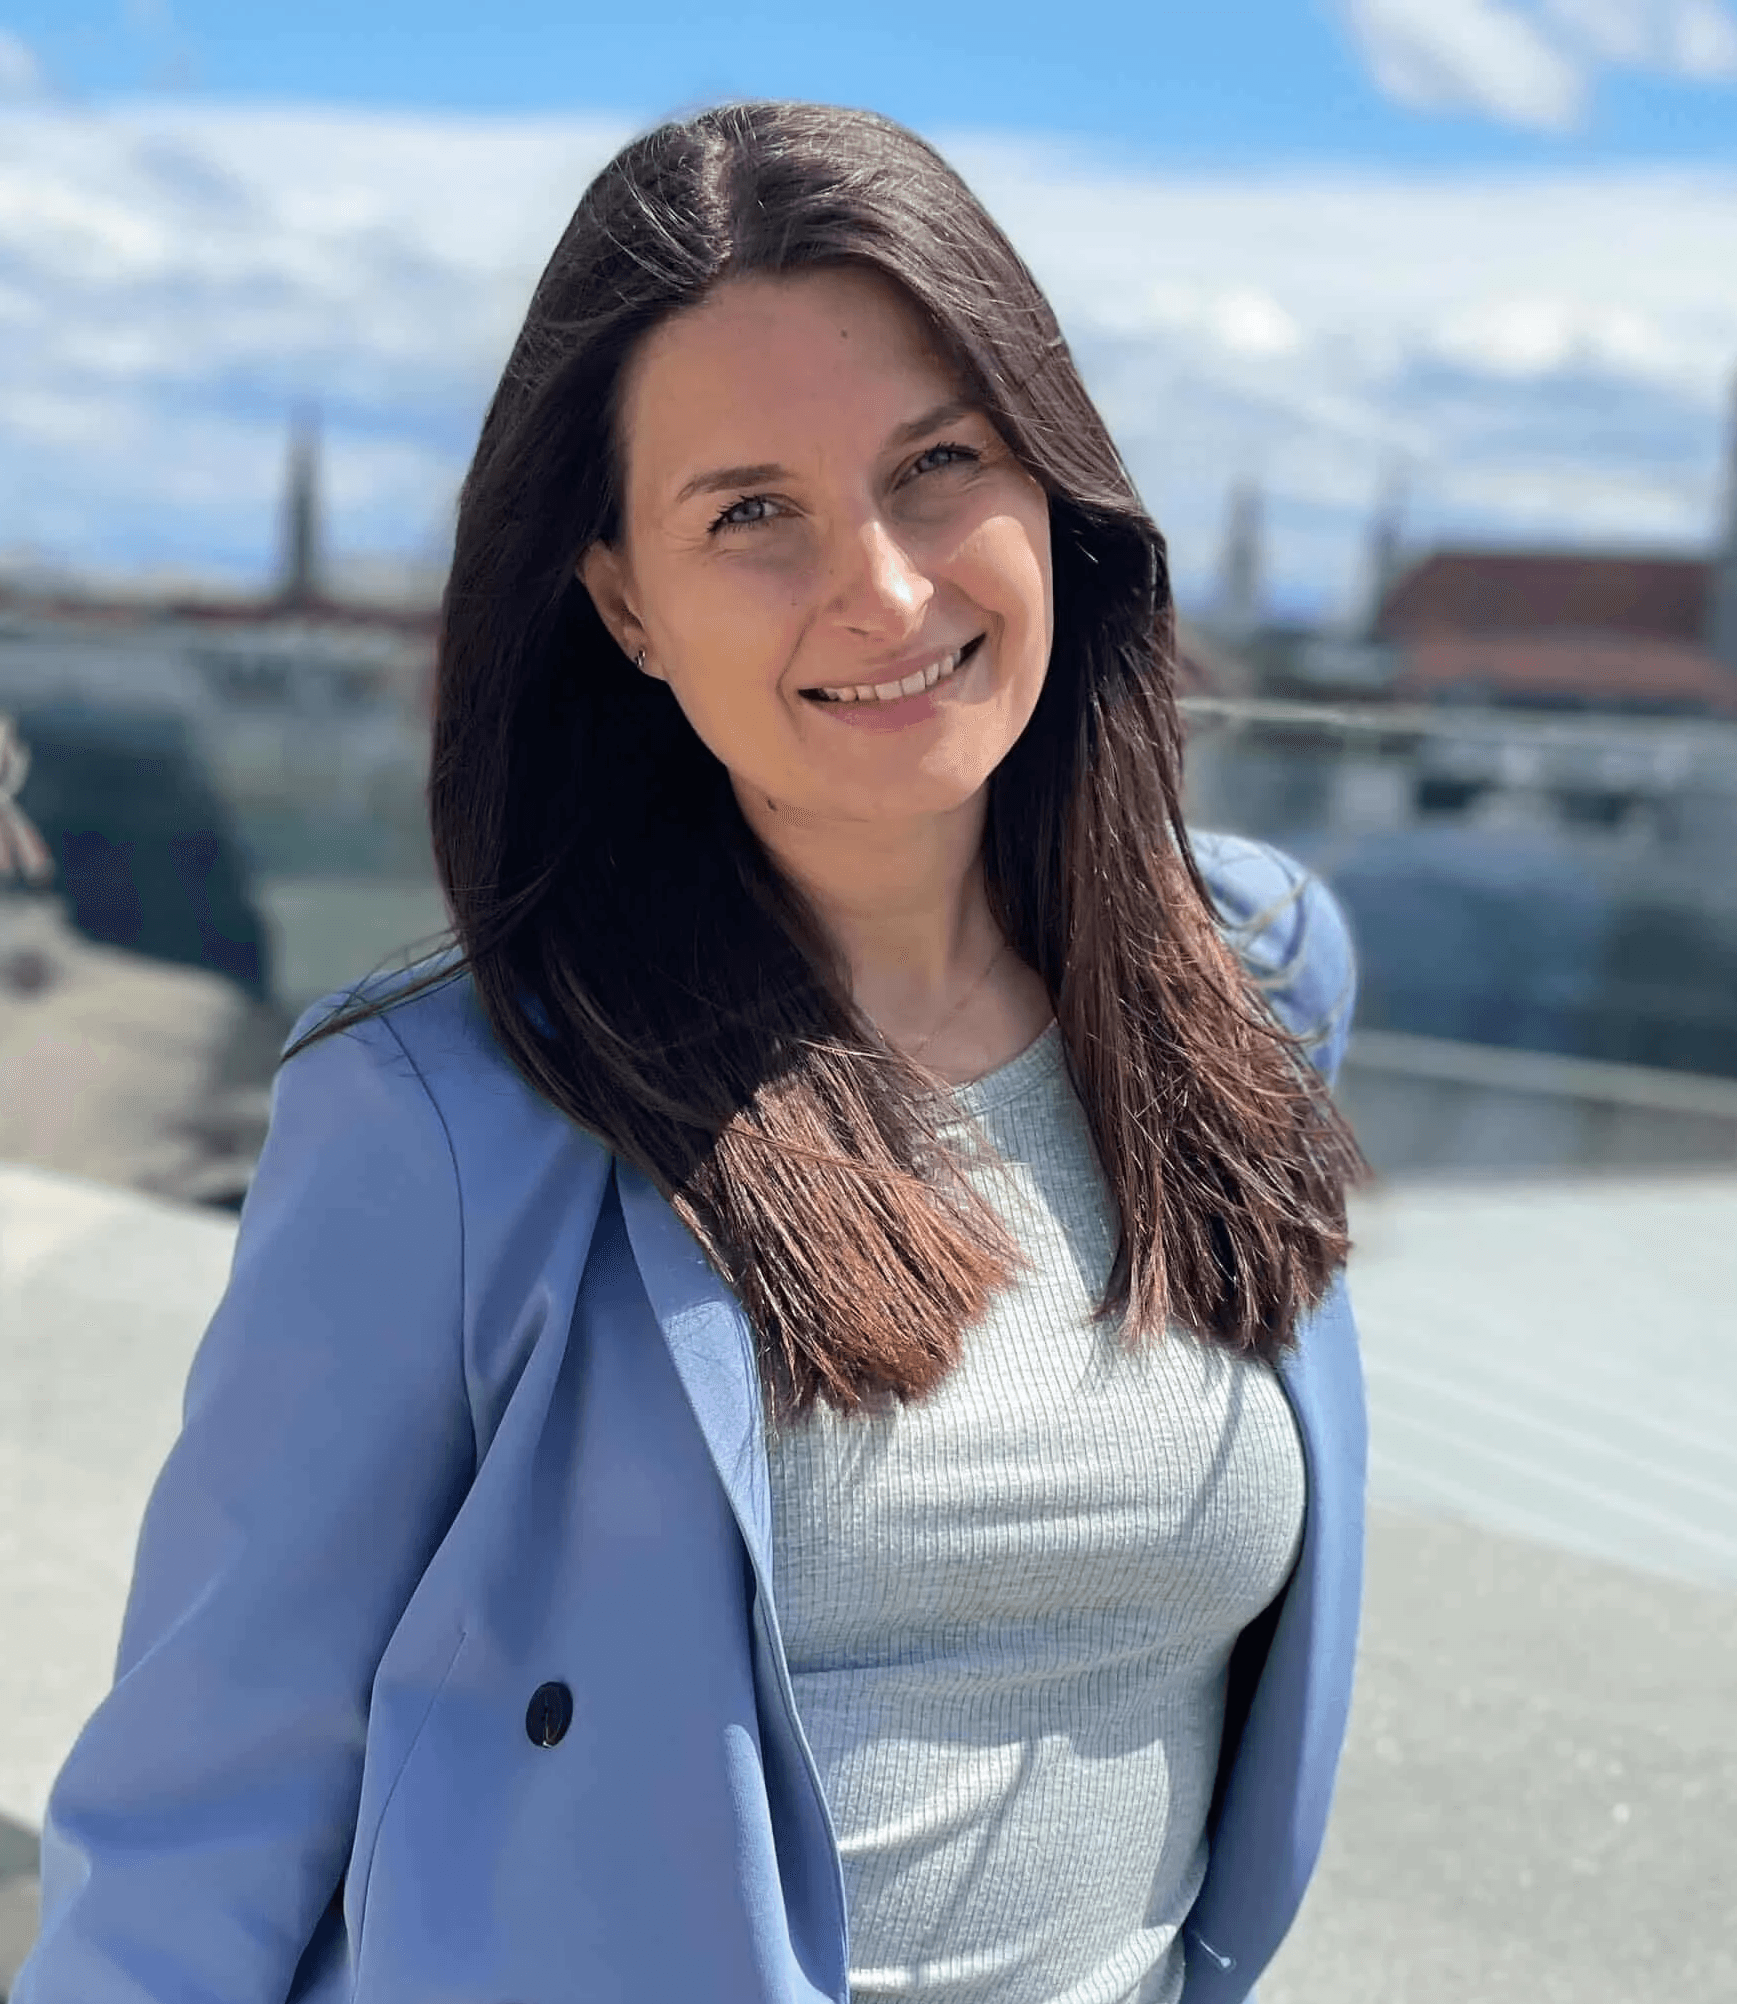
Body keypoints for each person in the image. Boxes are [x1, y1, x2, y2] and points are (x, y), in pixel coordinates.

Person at [14, 101, 1366, 2004]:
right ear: (624, 604)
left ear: (1053, 488)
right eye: (754, 514)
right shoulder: (446, 1121)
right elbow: (199, 1810)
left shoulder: (1251, 988)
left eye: (938, 466)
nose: (883, 591)